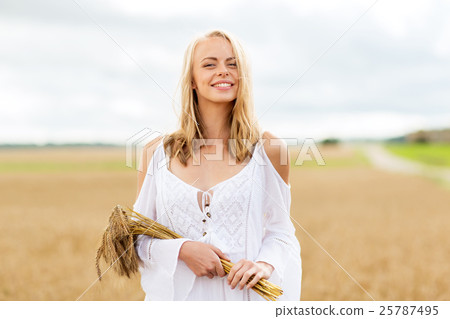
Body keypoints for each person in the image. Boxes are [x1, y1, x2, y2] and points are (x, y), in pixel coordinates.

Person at [133, 29, 302, 301]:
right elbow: (137, 239)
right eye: (210, 64)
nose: (223, 71)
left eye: (232, 64)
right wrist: (183, 250)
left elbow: (282, 233)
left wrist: (264, 265)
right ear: (192, 80)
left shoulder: (269, 150)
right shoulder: (156, 153)